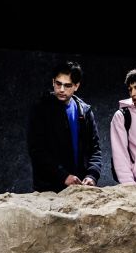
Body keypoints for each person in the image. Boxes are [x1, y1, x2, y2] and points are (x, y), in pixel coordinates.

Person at [26, 61, 102, 192]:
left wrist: (92, 176)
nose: (61, 89)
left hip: (80, 188)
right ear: (53, 82)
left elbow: (95, 150)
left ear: (76, 86)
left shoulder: (85, 111)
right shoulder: (40, 109)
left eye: (67, 85)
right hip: (48, 190)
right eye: (58, 84)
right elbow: (37, 151)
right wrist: (63, 176)